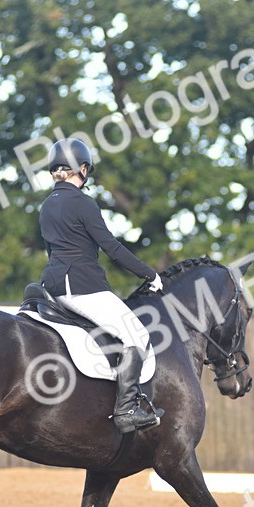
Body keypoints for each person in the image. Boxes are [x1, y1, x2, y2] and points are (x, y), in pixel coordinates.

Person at [38, 138, 165, 432]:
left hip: (51, 286)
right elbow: (112, 248)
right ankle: (126, 411)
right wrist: (150, 275)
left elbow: (51, 251)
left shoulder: (46, 205)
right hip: (81, 286)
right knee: (135, 334)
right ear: (82, 168)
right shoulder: (83, 203)